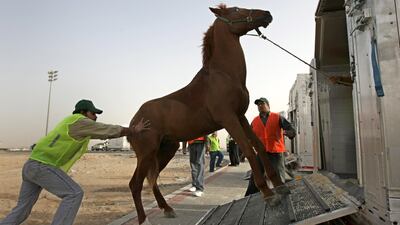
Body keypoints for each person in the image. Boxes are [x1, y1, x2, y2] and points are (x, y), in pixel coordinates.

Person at [0, 99, 150, 225]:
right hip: (43, 166)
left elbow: (103, 134)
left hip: (31, 166)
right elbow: (105, 129)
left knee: (22, 210)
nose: (96, 117)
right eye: (93, 113)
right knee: (74, 194)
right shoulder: (79, 121)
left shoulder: (74, 125)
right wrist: (133, 130)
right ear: (84, 112)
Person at [245, 97, 296, 196]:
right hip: (261, 152)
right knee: (256, 175)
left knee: (278, 177)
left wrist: (287, 132)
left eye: (262, 104)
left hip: (275, 152)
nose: (260, 106)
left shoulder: (277, 117)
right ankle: (249, 196)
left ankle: (283, 196)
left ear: (268, 105)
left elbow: (291, 130)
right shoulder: (255, 121)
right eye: (258, 105)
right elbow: (250, 136)